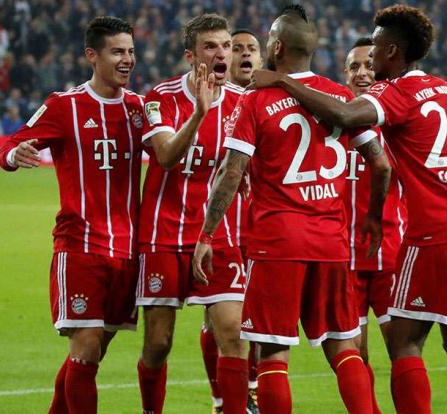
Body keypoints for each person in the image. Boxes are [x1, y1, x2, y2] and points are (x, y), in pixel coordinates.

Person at [253, 5, 447, 413]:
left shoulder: (394, 92)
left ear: (392, 51)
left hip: (433, 233)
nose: (371, 56)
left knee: (405, 344)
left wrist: (282, 81)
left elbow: (345, 114)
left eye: (376, 47)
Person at [194, 5, 390, 413]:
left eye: (268, 39)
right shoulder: (340, 97)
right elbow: (381, 163)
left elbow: (231, 173)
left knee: (272, 353)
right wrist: (374, 216)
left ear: (278, 46)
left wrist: (207, 234)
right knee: (344, 346)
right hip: (331, 242)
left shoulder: (256, 99)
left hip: (277, 243)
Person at [0, 16, 143, 413]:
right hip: (80, 246)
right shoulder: (64, 106)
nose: (127, 59)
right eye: (117, 52)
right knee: (86, 346)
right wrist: (15, 154)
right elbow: (10, 146)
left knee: (92, 354)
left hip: (129, 251)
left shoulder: (139, 108)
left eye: (131, 51)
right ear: (91, 55)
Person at [134, 14, 251, 414]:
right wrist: (199, 113)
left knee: (232, 333)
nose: (222, 54)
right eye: (211, 46)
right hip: (163, 233)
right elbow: (166, 156)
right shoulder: (160, 98)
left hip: (217, 233)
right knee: (158, 343)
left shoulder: (241, 102)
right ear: (190, 55)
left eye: (226, 46)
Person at [197, 26, 263, 414]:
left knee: (256, 319)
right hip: (222, 230)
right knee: (220, 320)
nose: (243, 54)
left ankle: (249, 390)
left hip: (259, 229)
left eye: (251, 48)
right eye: (236, 48)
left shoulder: (264, 103)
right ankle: (224, 399)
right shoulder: (213, 101)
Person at [342, 35, 407, 414]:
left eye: (369, 64)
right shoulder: (330, 121)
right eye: (354, 66)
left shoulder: (397, 123)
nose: (362, 72)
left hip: (389, 255)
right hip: (343, 259)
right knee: (355, 354)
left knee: (402, 351)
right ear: (345, 74)